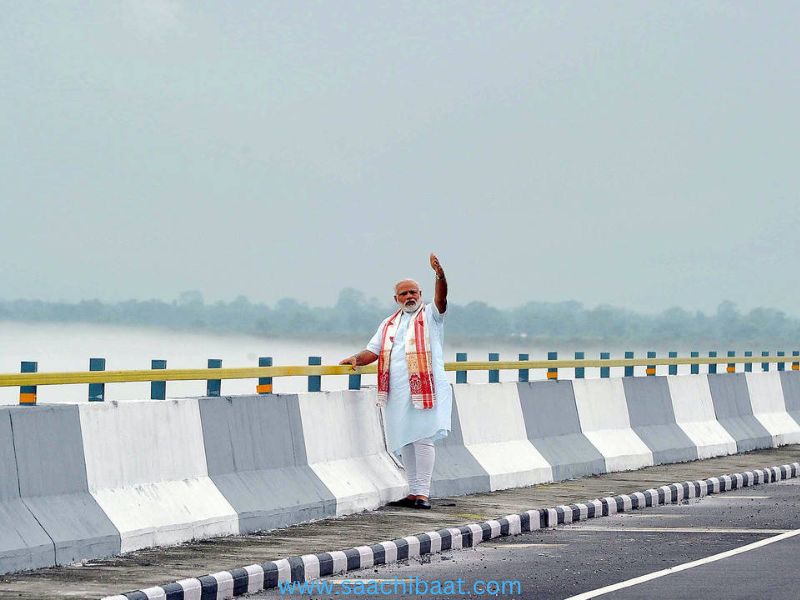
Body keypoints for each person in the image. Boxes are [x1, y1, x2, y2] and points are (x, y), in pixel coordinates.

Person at [339, 253, 452, 509]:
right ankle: (413, 492)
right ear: (396, 299)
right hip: (397, 391)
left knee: (422, 437)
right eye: (404, 294)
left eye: (413, 292)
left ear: (421, 293)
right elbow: (374, 351)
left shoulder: (431, 316)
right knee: (406, 439)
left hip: (426, 387)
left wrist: (440, 275)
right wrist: (356, 358)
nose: (409, 297)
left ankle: (422, 493)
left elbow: (442, 299)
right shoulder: (388, 323)